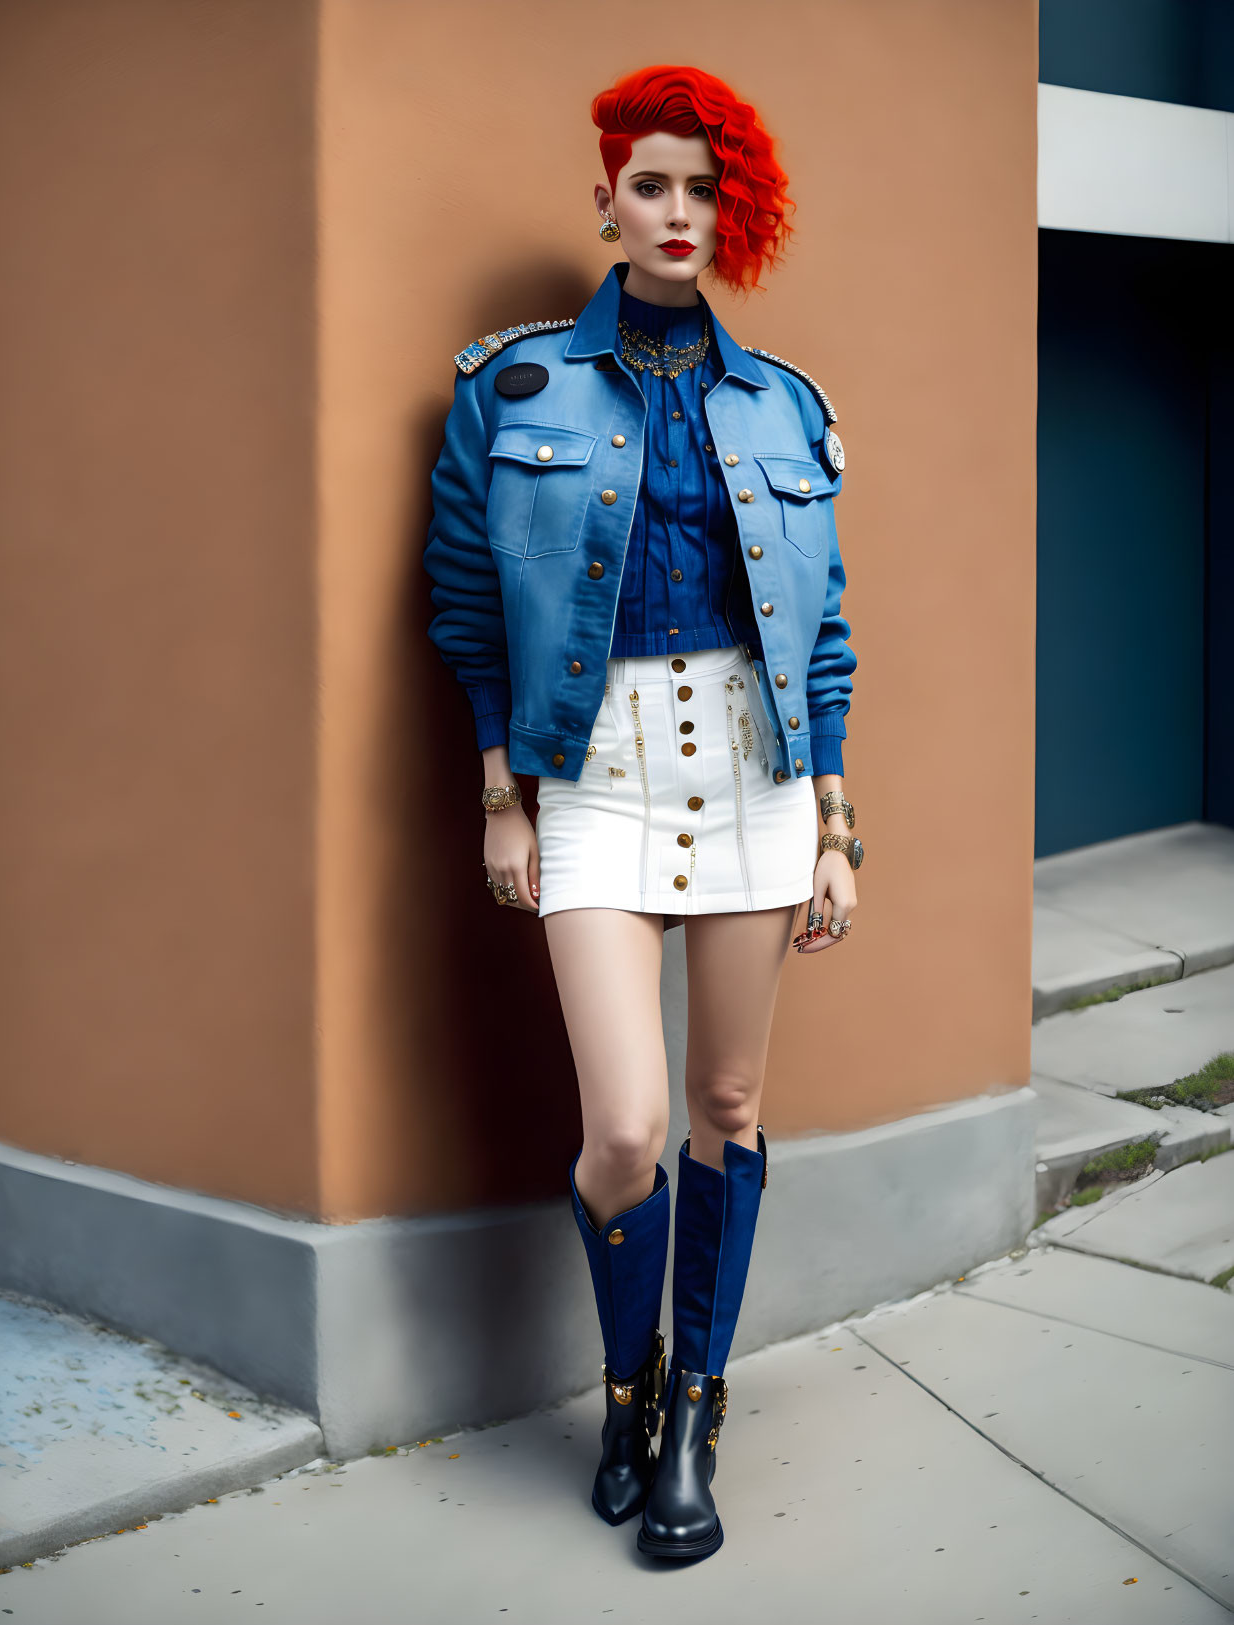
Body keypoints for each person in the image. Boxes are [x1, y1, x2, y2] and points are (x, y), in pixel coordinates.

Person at [422, 63, 863, 1563]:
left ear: (730, 207)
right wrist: (502, 797)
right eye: (653, 183)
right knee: (628, 1123)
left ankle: (694, 1416)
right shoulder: (513, 388)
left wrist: (834, 824)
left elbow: (825, 635)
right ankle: (625, 1383)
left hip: (754, 772)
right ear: (604, 197)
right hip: (592, 775)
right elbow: (469, 609)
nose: (681, 212)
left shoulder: (785, 405)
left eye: (705, 187)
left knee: (728, 1110)